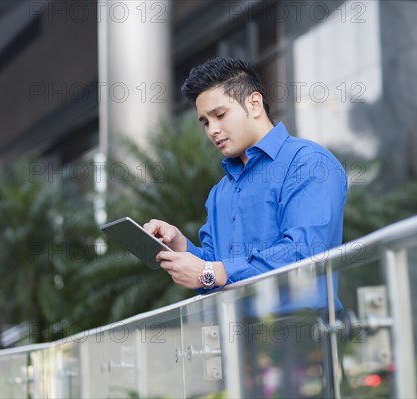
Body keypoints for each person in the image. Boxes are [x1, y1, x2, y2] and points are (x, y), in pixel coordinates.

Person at [144, 57, 347, 297]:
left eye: (220, 115)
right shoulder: (220, 193)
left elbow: (303, 252)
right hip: (234, 330)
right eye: (205, 122)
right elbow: (213, 269)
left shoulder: (309, 163)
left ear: (254, 104)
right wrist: (179, 245)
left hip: (304, 328)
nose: (212, 130)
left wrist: (212, 271)